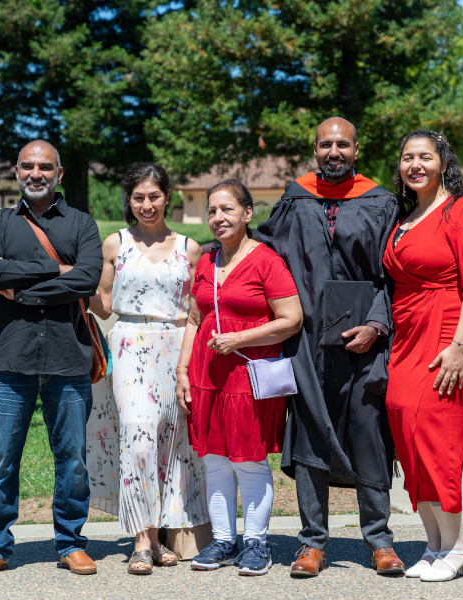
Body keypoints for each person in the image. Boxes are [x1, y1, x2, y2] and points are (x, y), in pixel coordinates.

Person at [255, 117, 403, 577]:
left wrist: (377, 325)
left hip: (365, 341)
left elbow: (394, 274)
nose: (333, 151)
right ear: (315, 150)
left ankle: (379, 540)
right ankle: (312, 543)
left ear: (356, 150)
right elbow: (263, 251)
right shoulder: (294, 199)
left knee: (369, 433)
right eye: (325, 144)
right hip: (306, 340)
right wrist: (208, 254)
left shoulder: (382, 202)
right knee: (309, 433)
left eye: (342, 144)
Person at [0, 140, 103, 577]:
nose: (36, 173)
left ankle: (70, 542)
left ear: (59, 174)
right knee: (3, 459)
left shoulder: (82, 224)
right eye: (28, 166)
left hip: (69, 361)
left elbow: (87, 278)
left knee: (73, 460)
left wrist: (20, 282)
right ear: (16, 171)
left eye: (45, 167)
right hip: (11, 361)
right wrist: (55, 271)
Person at [384, 130, 463, 582]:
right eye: (407, 158)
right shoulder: (407, 216)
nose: (415, 165)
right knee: (405, 427)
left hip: (451, 334)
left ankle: (458, 546)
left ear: (443, 163)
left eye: (425, 157)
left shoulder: (462, 210)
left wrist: (458, 347)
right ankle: (434, 544)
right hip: (408, 336)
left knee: (437, 432)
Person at [85, 163, 208, 575]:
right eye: (138, 197)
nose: (147, 204)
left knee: (170, 443)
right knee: (137, 439)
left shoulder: (189, 247)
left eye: (154, 196)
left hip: (175, 346)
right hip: (130, 343)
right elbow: (102, 301)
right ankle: (142, 539)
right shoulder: (115, 244)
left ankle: (158, 535)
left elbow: (194, 310)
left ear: (168, 196)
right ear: (129, 200)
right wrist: (74, 288)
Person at [175, 179, 303, 576]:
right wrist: (182, 371)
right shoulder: (206, 261)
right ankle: (224, 540)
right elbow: (194, 320)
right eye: (213, 210)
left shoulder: (266, 260)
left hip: (247, 375)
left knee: (248, 460)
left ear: (248, 214)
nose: (218, 218)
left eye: (227, 209)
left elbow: (291, 319)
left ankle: (257, 544)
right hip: (206, 374)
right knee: (214, 460)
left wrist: (240, 338)